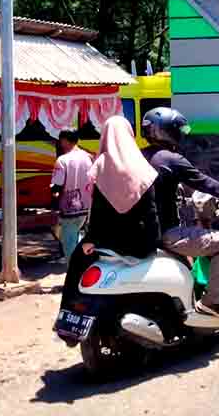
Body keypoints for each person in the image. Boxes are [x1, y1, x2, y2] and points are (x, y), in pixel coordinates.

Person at [140, 107, 219, 319]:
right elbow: (202, 181)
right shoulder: (171, 159)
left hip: (140, 232)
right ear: (169, 131)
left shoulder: (139, 156)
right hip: (165, 234)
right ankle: (212, 302)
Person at [56, 116, 160, 317]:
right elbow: (151, 212)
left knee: (77, 262)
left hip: (110, 242)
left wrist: (90, 240)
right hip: (142, 244)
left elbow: (98, 211)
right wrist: (154, 241)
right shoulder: (142, 163)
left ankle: (67, 316)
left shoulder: (101, 165)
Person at [50, 129, 93, 261]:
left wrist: (53, 191)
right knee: (82, 239)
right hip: (87, 207)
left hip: (69, 209)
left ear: (64, 141)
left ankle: (74, 274)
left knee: (69, 245)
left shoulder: (62, 160)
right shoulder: (88, 157)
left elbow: (57, 185)